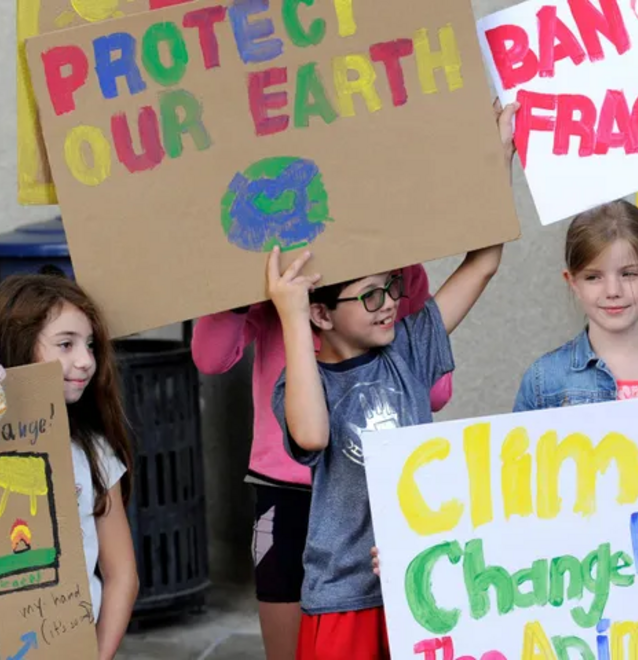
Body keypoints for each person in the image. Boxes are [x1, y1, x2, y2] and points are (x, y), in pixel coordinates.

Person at [269, 101, 518, 660]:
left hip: (419, 585)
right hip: (343, 597)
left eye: (391, 287)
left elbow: (482, 265)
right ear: (321, 315)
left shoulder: (408, 346)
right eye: (372, 295)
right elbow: (310, 436)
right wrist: (287, 311)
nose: (390, 305)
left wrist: (495, 166)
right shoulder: (304, 384)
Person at [191, 268, 453, 660]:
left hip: (377, 494)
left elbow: (435, 393)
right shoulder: (273, 274)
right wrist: (261, 293)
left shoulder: (398, 271)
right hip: (284, 487)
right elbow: (210, 358)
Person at [0, 274, 139, 660]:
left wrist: (100, 655)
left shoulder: (93, 451)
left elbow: (123, 576)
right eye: (66, 344)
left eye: (90, 345)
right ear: (17, 344)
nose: (85, 360)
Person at [513, 200, 638, 412]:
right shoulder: (544, 379)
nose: (613, 291)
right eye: (593, 277)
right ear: (573, 283)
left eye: (628, 274)